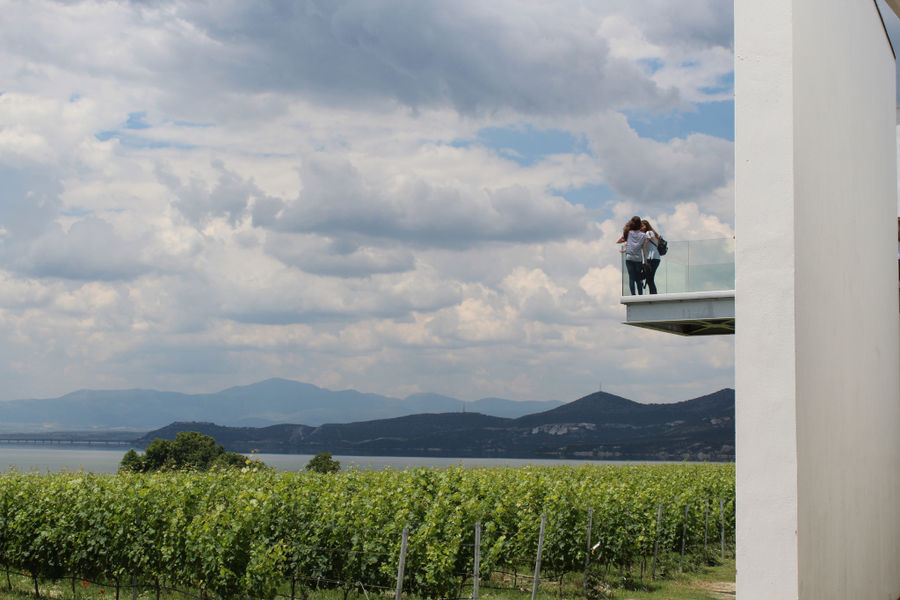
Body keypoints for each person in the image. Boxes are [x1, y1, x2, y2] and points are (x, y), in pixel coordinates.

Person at [617, 216, 648, 295]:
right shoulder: (644, 236)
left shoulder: (629, 233)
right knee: (638, 279)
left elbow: (618, 241)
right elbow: (644, 249)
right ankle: (640, 295)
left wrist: (626, 241)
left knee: (631, 278)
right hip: (638, 259)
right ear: (639, 224)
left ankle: (633, 295)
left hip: (629, 258)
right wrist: (646, 261)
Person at [641, 219, 662, 294]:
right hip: (655, 258)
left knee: (649, 278)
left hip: (652, 257)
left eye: (642, 226)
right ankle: (653, 294)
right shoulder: (653, 233)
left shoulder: (648, 232)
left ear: (646, 226)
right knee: (650, 278)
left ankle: (653, 295)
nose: (641, 228)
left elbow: (648, 240)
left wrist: (643, 245)